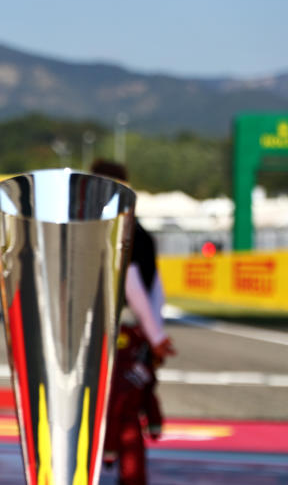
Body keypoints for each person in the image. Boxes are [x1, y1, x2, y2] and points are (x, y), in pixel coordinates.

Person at [91, 160, 176, 485]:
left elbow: (132, 282)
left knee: (115, 408)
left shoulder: (108, 229)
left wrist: (155, 334)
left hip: (114, 330)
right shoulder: (138, 231)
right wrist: (155, 332)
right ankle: (130, 475)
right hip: (132, 332)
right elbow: (155, 289)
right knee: (128, 408)